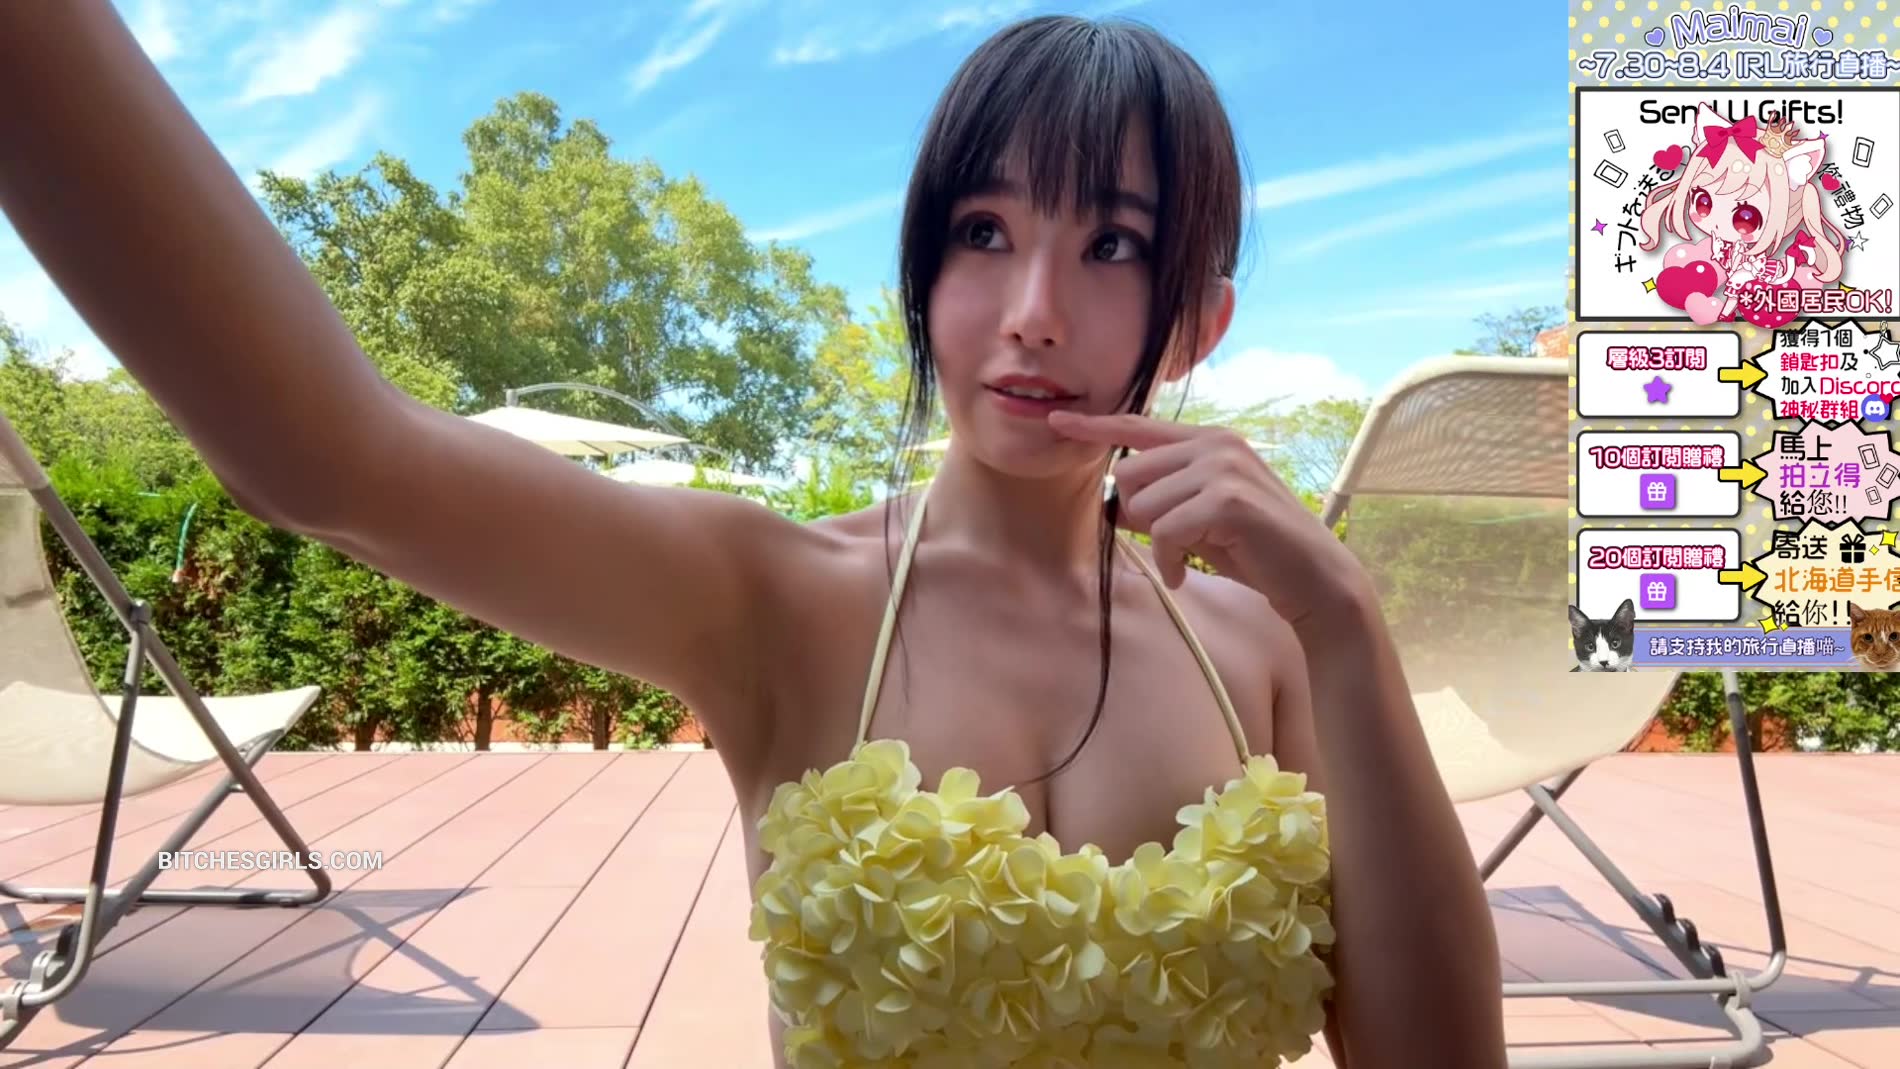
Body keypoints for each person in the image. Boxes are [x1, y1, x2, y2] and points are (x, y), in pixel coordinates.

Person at [0, 4, 1506, 1066]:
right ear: (922, 276)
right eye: (984, 232)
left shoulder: (1270, 650)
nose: (1034, 310)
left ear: (1197, 319)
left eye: (1111, 244)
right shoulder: (777, 597)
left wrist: (1349, 623)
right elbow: (331, 460)